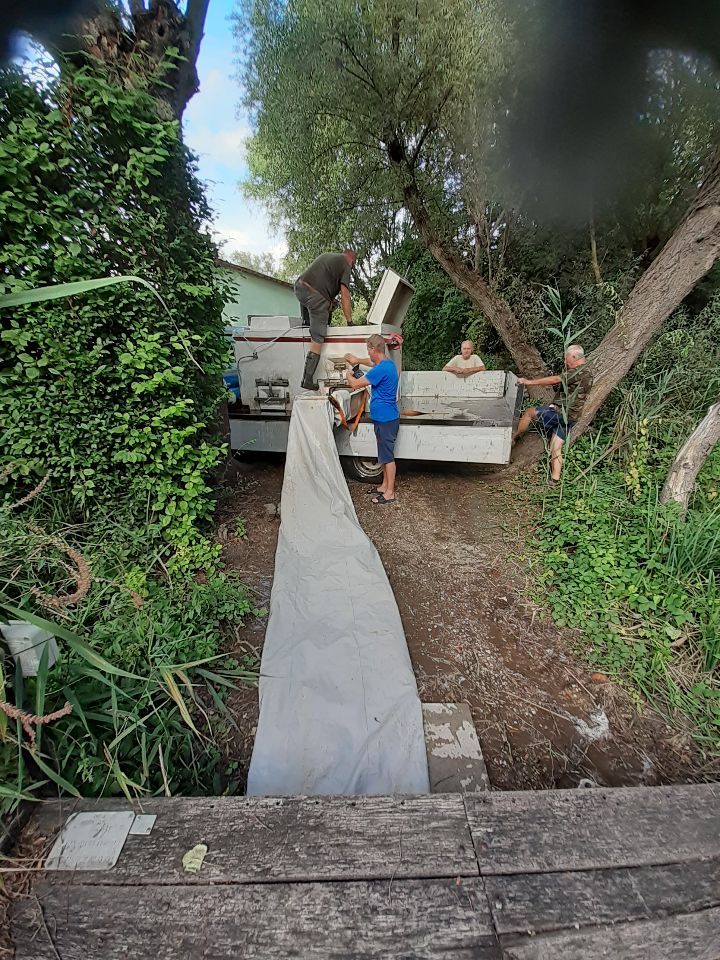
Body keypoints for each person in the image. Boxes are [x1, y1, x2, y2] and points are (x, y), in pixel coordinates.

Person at [513, 344, 593, 485]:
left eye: (567, 358)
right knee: (555, 447)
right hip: (571, 418)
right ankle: (555, 480)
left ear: (575, 357)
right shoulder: (588, 373)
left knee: (529, 412)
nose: (565, 361)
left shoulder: (578, 372)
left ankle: (513, 437)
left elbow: (555, 380)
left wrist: (529, 382)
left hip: (561, 414)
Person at [344, 335, 399, 505]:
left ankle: (390, 493)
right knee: (383, 454)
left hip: (385, 418)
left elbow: (355, 384)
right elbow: (370, 362)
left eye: (368, 350)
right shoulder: (387, 364)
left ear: (374, 349)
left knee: (387, 457)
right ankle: (384, 486)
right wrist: (357, 360)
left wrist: (348, 373)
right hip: (385, 417)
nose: (368, 353)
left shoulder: (380, 369)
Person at [294, 250, 356, 390]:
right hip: (315, 296)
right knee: (318, 338)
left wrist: (330, 301)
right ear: (351, 260)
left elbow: (319, 282)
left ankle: (308, 324)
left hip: (300, 288)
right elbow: (345, 295)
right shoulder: (346, 265)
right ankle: (307, 379)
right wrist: (350, 322)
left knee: (312, 324)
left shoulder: (329, 257)